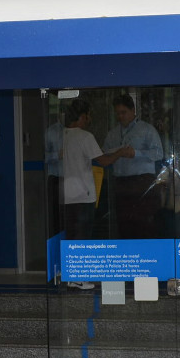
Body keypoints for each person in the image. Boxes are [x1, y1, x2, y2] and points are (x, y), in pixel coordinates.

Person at [60, 99, 126, 289]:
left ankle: (70, 276)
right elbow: (104, 161)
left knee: (71, 236)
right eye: (88, 115)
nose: (89, 119)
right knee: (82, 236)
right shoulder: (85, 136)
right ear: (82, 117)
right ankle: (79, 278)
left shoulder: (62, 135)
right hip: (83, 194)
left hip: (67, 194)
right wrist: (120, 152)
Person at [102, 93, 165, 239]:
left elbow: (158, 153)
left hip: (142, 182)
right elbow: (104, 154)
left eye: (123, 112)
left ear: (133, 111)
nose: (120, 116)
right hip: (121, 184)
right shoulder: (112, 134)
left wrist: (136, 153)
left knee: (144, 225)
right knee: (124, 225)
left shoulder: (147, 130)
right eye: (117, 113)